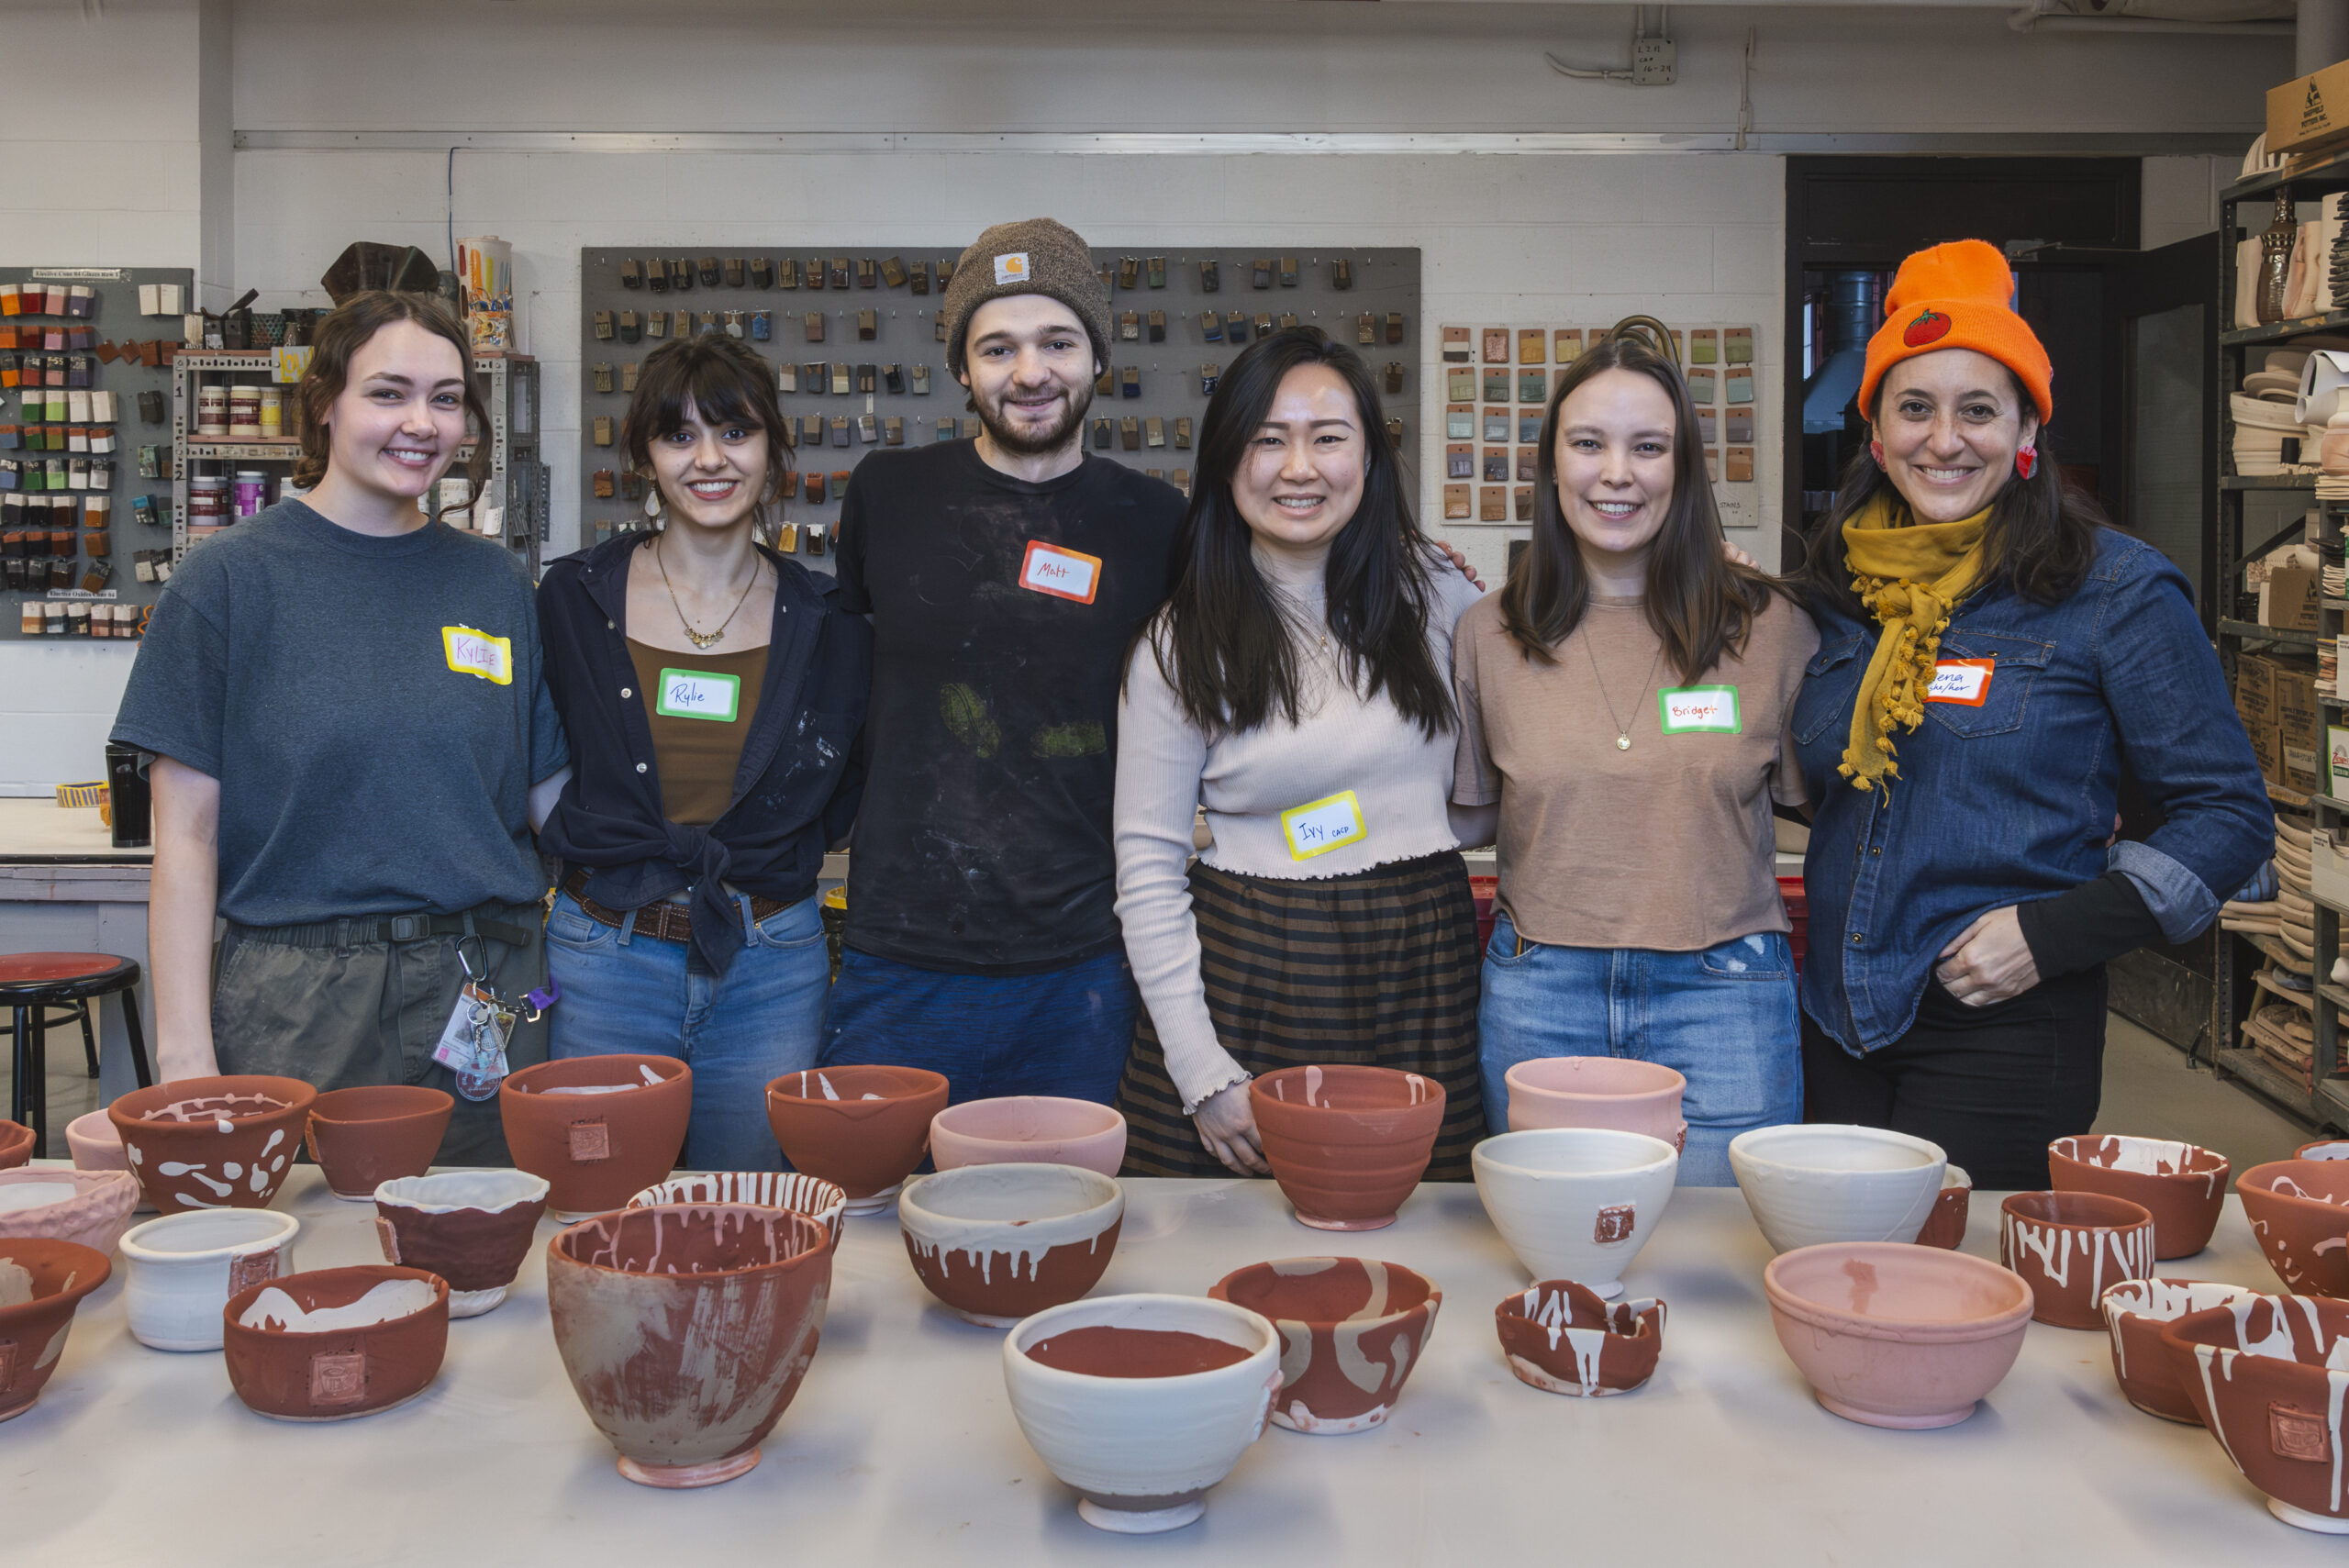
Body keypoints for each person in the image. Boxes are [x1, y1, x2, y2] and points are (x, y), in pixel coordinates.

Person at [1792, 239, 2272, 1190]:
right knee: (1839, 1264)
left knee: (1945, 1285)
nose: (1943, 439)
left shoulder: (2113, 590)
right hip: (1832, 1017)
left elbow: (2229, 818)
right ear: (1876, 435)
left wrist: (2050, 935)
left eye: (1978, 409)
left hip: (2003, 1025)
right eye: (1914, 407)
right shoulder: (1838, 590)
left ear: (2024, 433)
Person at [111, 291, 568, 1163]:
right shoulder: (226, 583)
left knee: (483, 1249)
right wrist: (185, 1059)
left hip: (484, 991)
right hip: (297, 1002)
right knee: (305, 1266)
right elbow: (187, 842)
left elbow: (555, 802)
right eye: (388, 393)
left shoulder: (496, 585)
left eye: (444, 398)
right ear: (325, 405)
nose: (421, 423)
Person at [818, 218, 1184, 1106]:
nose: (1029, 373)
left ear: (1098, 357)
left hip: (1081, 960)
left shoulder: (1156, 523)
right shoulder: (888, 494)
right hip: (898, 949)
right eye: (997, 347)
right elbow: (843, 669)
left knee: (1064, 1214)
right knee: (875, 1213)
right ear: (961, 368)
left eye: (1057, 342)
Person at [1113, 328, 1489, 1179]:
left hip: (1418, 963)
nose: (1299, 467)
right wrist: (1202, 1072)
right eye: (1268, 439)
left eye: (1328, 437)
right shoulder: (1179, 643)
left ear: (1370, 454)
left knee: (1422, 1242)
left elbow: (1526, 730)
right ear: (1225, 461)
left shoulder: (1439, 593)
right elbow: (1146, 868)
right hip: (1251, 967)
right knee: (1216, 1259)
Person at [1456, 321, 1815, 1185]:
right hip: (1541, 994)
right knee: (1555, 1255)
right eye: (1589, 443)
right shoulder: (1486, 633)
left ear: (1684, 470)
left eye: (1648, 447)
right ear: (1551, 464)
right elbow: (1459, 812)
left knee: (1718, 1260)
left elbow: (1836, 811)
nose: (1617, 473)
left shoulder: (1772, 627)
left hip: (1724, 993)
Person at [536, 335, 869, 1172]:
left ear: (772, 449)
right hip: (604, 957)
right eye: (680, 436)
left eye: (735, 432)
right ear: (645, 455)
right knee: (596, 1207)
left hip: (772, 968)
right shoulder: (574, 598)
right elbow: (539, 759)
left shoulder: (829, 618)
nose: (710, 460)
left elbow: (838, 788)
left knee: (748, 1218)